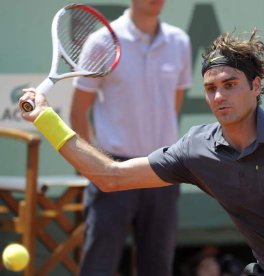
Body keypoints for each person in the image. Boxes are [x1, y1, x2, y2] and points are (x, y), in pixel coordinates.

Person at [19, 30, 264, 276]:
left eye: (230, 84)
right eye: (211, 87)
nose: (219, 96)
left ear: (256, 85)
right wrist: (47, 119)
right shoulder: (196, 150)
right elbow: (110, 176)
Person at [69, 0, 192, 275]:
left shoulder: (179, 41)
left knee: (157, 267)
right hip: (113, 171)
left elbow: (174, 104)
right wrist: (93, 167)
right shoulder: (101, 41)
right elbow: (78, 112)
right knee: (98, 267)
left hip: (163, 171)